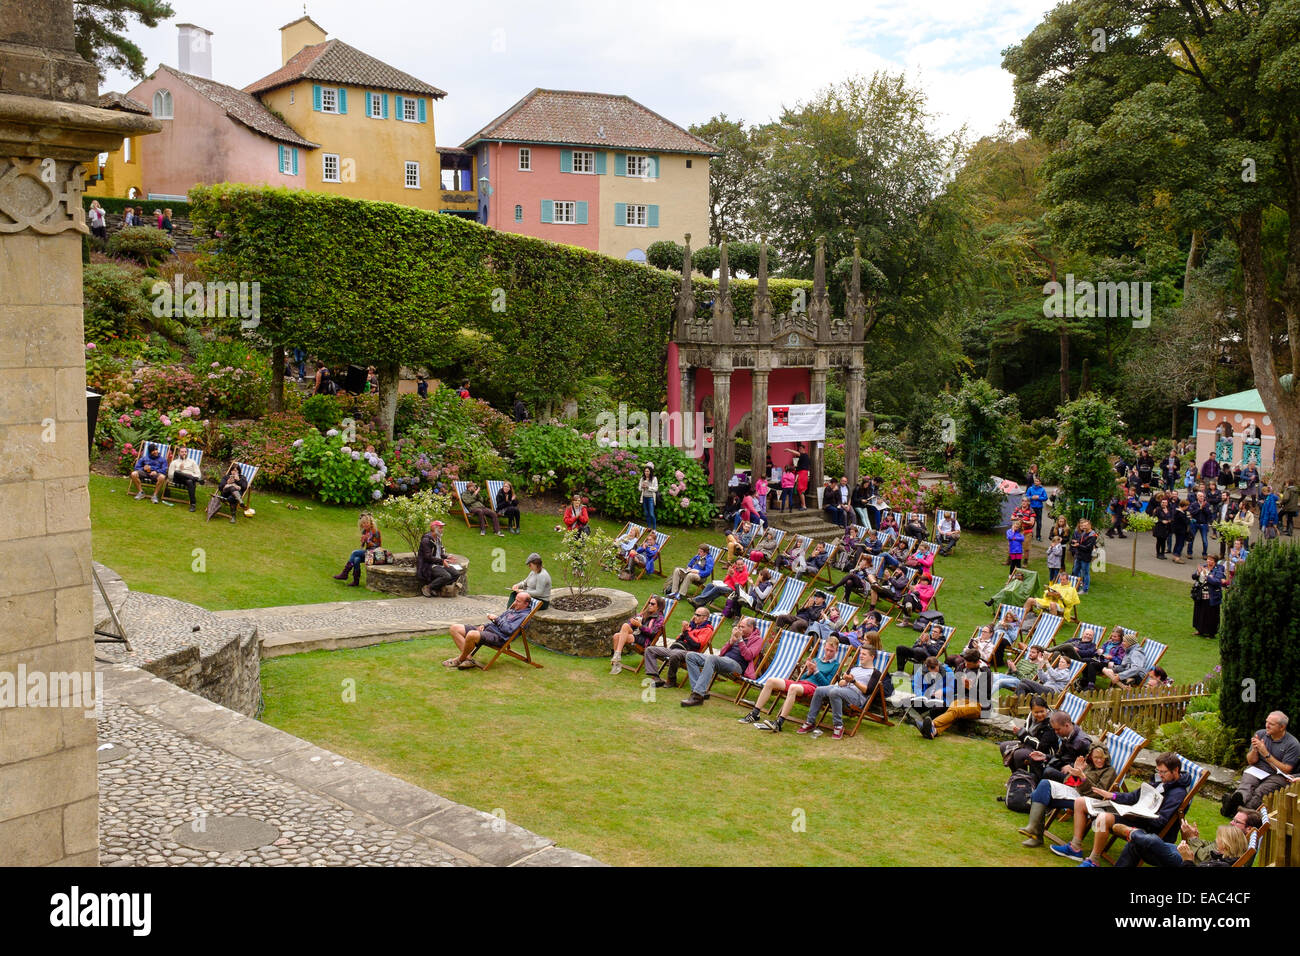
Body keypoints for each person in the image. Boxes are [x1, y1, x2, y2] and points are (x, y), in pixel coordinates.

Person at [1051, 752, 1192, 866]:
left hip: (1148, 829)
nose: (1160, 775)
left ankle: (1093, 860)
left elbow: (1161, 822)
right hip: (1136, 816)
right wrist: (1112, 795)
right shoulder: (1160, 781)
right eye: (1158, 771)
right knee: (1084, 803)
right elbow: (1133, 796)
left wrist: (1134, 815)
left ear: (1176, 770)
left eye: (1164, 772)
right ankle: (1075, 847)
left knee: (1102, 818)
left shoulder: (1177, 793)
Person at [1020, 744, 1116, 847]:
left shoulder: (1109, 771)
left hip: (1088, 801)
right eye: (1096, 757)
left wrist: (1083, 778)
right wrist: (1075, 772)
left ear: (1106, 757)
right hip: (1074, 793)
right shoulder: (1088, 766)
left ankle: (1036, 835)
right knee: (1043, 786)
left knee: (1040, 795)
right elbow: (1067, 781)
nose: (1099, 760)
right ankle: (1033, 830)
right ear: (1091, 757)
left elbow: (1099, 793)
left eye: (1101, 757)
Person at [741, 635, 842, 732]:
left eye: (831, 651)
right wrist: (809, 672)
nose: (828, 653)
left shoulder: (835, 665)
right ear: (824, 647)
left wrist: (816, 671)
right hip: (801, 683)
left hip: (814, 688)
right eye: (827, 649)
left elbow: (826, 685)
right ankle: (755, 714)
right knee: (771, 681)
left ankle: (779, 723)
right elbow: (802, 678)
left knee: (793, 687)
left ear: (836, 651)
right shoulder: (816, 660)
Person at [796, 643, 883, 739]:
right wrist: (844, 681)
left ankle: (838, 726)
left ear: (872, 657)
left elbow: (867, 691)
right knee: (819, 690)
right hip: (842, 689)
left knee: (834, 692)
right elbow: (841, 682)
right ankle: (810, 722)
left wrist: (853, 681)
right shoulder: (854, 668)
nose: (861, 656)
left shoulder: (875, 673)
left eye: (864, 654)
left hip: (856, 697)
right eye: (860, 654)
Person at [1221, 711, 1299, 816]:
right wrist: (1255, 750)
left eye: (1271, 724)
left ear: (1282, 727)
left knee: (1260, 792)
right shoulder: (1261, 734)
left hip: (1277, 775)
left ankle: (1237, 811)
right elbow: (1251, 761)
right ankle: (1235, 804)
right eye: (1267, 722)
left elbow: (1286, 769)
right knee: (1246, 785)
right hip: (1258, 769)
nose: (1267, 725)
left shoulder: (1293, 744)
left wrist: (1265, 753)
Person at [680, 617, 766, 707]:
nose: (740, 629)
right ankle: (698, 691)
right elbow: (722, 652)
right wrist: (731, 642)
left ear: (751, 628)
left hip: (737, 665)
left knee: (712, 658)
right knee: (691, 656)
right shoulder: (738, 635)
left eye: (742, 627)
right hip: (723, 660)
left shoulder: (757, 639)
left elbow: (748, 656)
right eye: (739, 626)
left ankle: (697, 697)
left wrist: (740, 640)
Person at [443, 592, 533, 669]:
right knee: (454, 628)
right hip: (488, 630)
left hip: (499, 637)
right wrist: (484, 625)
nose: (514, 602)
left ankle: (459, 660)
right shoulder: (513, 610)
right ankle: (469, 659)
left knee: (471, 635)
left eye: (518, 601)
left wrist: (496, 619)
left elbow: (509, 630)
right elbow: (497, 621)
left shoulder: (524, 616)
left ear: (526, 604)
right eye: (515, 600)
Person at [917, 648, 993, 739]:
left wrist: (971, 687)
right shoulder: (961, 667)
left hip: (979, 705)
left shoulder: (986, 672)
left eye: (968, 663)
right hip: (962, 699)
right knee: (953, 709)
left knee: (956, 710)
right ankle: (934, 731)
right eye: (965, 662)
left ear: (977, 662)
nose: (965, 664)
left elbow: (985, 696)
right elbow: (955, 688)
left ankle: (932, 724)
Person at [643, 606, 715, 688]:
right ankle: (656, 678)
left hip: (689, 653)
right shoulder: (692, 626)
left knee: (674, 655)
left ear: (705, 618)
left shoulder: (707, 630)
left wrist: (686, 632)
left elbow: (697, 645)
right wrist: (683, 632)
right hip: (675, 648)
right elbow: (678, 639)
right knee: (650, 649)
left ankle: (671, 680)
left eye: (698, 615)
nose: (695, 616)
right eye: (695, 614)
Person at [609, 595, 666, 675]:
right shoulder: (646, 613)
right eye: (649, 603)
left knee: (617, 637)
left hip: (645, 639)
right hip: (637, 633)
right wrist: (633, 622)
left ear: (659, 607)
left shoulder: (659, 618)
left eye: (653, 604)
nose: (650, 605)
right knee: (625, 626)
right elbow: (631, 624)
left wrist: (640, 626)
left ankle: (616, 664)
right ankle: (617, 656)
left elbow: (653, 633)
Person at [417, 520, 463, 597]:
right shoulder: (426, 540)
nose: (442, 529)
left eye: (442, 527)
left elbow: (439, 553)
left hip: (438, 563)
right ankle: (428, 588)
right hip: (428, 565)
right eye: (440, 527)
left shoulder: (438, 538)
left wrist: (447, 557)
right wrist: (442, 561)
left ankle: (436, 588)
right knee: (446, 576)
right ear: (434, 528)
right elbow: (428, 557)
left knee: (456, 574)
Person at [333, 513, 381, 587]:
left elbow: (377, 546)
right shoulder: (365, 532)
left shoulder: (376, 532)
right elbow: (363, 547)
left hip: (374, 555)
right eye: (363, 523)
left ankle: (344, 573)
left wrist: (368, 541)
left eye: (367, 523)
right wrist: (363, 542)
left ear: (371, 522)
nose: (365, 525)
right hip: (368, 553)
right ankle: (356, 581)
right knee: (356, 559)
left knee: (355, 553)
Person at [1191, 554, 1228, 637]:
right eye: (1208, 559)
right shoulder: (1204, 566)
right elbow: (1194, 577)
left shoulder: (1219, 569)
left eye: (1211, 560)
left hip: (1212, 595)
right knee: (1200, 612)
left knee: (1211, 614)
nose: (1209, 561)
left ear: (1215, 562)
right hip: (1201, 594)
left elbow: (1217, 581)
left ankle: (1211, 633)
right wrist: (1198, 572)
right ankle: (1200, 630)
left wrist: (1207, 576)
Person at [165, 444, 202, 512]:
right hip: (177, 479)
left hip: (188, 481)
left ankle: (193, 504)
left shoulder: (192, 462)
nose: (184, 453)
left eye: (185, 452)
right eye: (182, 452)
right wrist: (179, 469)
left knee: (190, 482)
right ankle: (195, 479)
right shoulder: (174, 462)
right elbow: (170, 475)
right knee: (177, 472)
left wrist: (191, 476)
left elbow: (198, 474)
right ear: (179, 453)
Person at [1068, 520, 1097, 594]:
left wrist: (1078, 545)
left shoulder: (1093, 536)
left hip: (1086, 557)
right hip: (1079, 556)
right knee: (1075, 571)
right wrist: (1075, 541)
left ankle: (1085, 589)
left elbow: (1088, 548)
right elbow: (1080, 541)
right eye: (1082, 525)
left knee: (1085, 573)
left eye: (1085, 526)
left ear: (1090, 525)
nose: (1083, 527)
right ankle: (1076, 586)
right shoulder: (1084, 533)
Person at [1152, 495, 1174, 560]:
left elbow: (1172, 517)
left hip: (1166, 528)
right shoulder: (1158, 509)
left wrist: (1170, 520)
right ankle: (1158, 553)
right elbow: (1154, 519)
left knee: (1164, 541)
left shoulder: (1169, 509)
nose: (1164, 504)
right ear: (1160, 503)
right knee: (1159, 541)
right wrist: (1161, 521)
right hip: (1159, 527)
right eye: (1163, 502)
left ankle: (1162, 554)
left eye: (1165, 503)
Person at [638, 464, 658, 531]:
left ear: (650, 472)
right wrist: (642, 487)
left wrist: (648, 487)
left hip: (651, 498)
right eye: (645, 471)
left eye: (648, 471)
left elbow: (656, 489)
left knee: (651, 514)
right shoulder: (642, 478)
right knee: (646, 513)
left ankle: (654, 528)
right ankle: (649, 527)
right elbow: (639, 489)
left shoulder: (654, 478)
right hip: (644, 498)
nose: (646, 473)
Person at [794, 444, 811, 509]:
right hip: (803, 473)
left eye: (801, 449)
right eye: (799, 449)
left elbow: (797, 453)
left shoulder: (804, 455)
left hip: (802, 473)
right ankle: (802, 504)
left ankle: (804, 505)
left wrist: (789, 450)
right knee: (800, 490)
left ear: (803, 449)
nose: (799, 450)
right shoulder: (806, 457)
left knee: (801, 490)